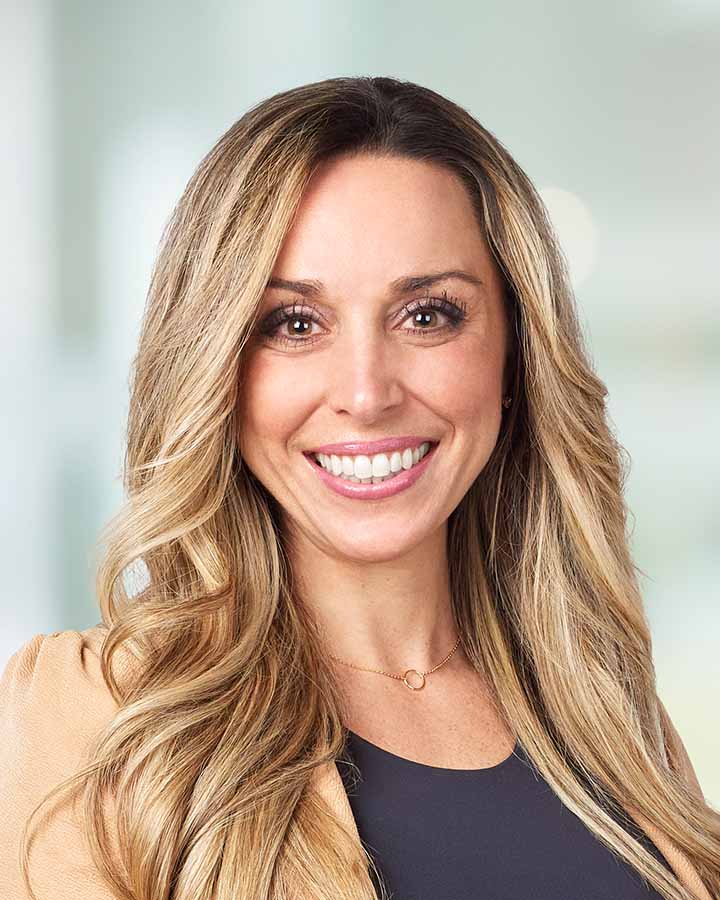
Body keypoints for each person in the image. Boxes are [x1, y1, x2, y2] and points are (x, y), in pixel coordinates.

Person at [1, 75, 718, 900]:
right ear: (216, 369)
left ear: (515, 355)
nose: (367, 392)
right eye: (295, 324)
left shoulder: (607, 716)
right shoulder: (103, 721)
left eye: (427, 315)